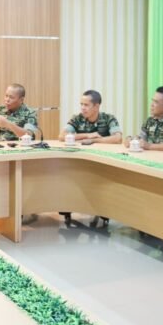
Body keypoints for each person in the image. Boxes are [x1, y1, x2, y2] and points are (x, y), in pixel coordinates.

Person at [59, 90, 122, 228]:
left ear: (96, 106)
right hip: (80, 163)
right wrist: (87, 135)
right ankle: (68, 204)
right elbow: (62, 136)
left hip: (102, 164)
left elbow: (117, 138)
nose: (82, 108)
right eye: (81, 104)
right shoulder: (77, 118)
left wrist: (94, 140)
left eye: (86, 105)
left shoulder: (108, 118)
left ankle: (103, 209)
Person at [125, 86, 163, 152]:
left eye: (156, 102)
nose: (152, 104)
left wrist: (149, 146)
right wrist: (132, 140)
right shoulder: (149, 120)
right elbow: (142, 140)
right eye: (152, 101)